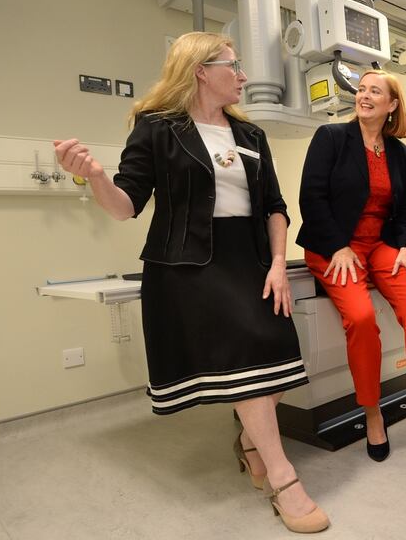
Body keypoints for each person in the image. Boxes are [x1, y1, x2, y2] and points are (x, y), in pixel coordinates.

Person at [53, 32, 328, 534]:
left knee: (277, 361)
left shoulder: (251, 136)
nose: (245, 76)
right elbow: (125, 206)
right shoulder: (158, 128)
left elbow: (274, 206)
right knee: (248, 356)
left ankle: (249, 443)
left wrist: (275, 263)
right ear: (201, 70)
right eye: (235, 66)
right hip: (190, 267)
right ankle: (285, 480)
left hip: (249, 260)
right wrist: (93, 176)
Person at [296, 70, 406, 461]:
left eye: (375, 91)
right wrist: (337, 246)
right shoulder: (332, 138)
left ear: (391, 105)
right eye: (362, 89)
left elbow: (404, 206)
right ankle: (372, 414)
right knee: (362, 317)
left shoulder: (399, 153)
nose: (364, 95)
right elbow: (311, 197)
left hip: (381, 247)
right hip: (334, 247)